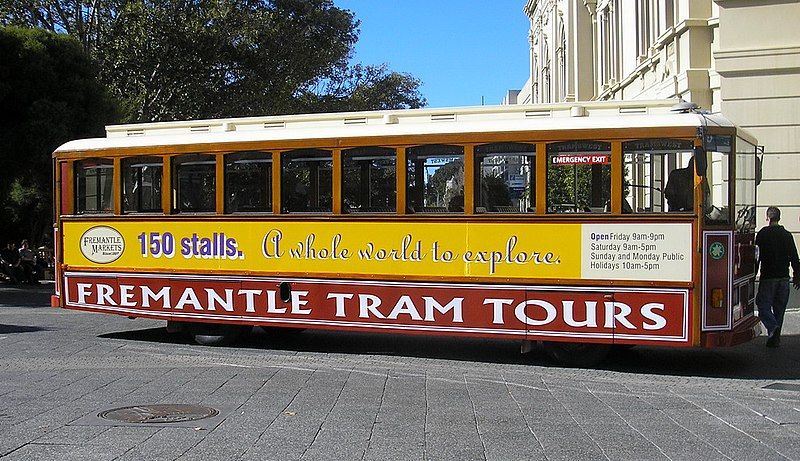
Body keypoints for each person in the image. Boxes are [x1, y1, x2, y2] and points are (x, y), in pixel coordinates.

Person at [755, 206, 800, 347]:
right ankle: (774, 338)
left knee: (762, 306)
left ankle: (772, 328)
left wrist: (753, 274)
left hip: (768, 277)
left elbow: (757, 258)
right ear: (779, 218)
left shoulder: (762, 234)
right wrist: (797, 276)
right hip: (784, 278)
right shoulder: (787, 235)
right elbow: (794, 257)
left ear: (767, 218)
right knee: (779, 309)